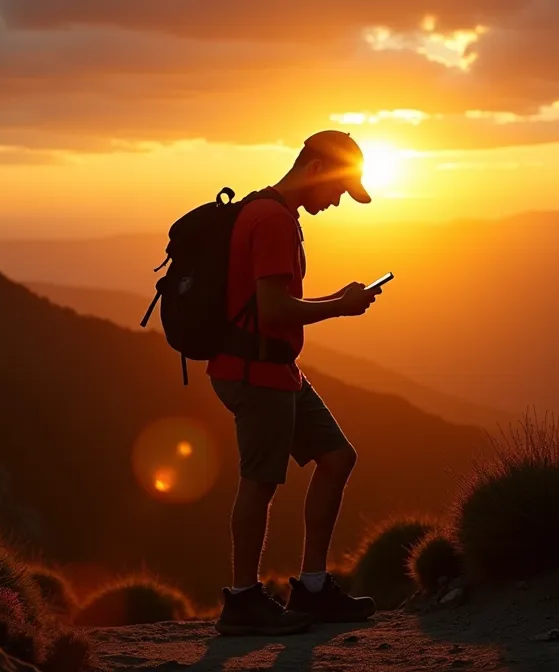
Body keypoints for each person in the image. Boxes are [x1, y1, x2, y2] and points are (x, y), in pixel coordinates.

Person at [208, 130, 383, 636]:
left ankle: (310, 588)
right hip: (255, 370)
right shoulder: (274, 222)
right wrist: (341, 306)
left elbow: (270, 306)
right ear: (313, 169)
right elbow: (273, 308)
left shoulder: (268, 212)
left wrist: (334, 301)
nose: (335, 203)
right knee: (259, 483)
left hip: (274, 366)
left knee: (336, 457)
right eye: (337, 190)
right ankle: (242, 601)